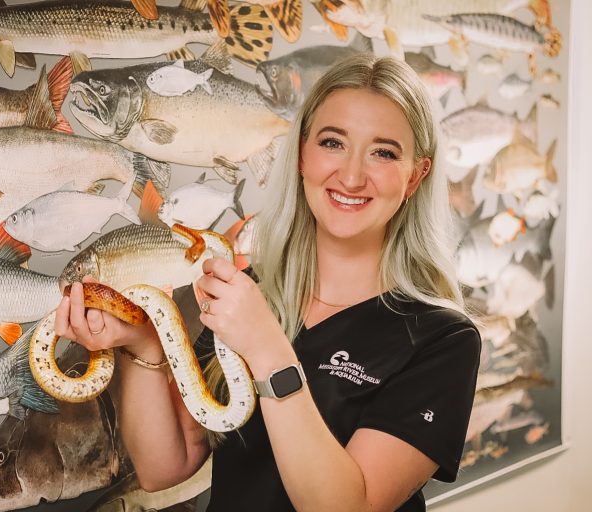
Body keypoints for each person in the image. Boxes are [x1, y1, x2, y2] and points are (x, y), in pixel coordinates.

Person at [54, 52, 481, 511]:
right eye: (333, 143)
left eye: (383, 152)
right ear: (300, 155)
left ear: (416, 176)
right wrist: (144, 346)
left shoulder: (444, 340)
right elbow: (167, 467)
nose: (352, 175)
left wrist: (266, 348)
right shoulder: (253, 292)